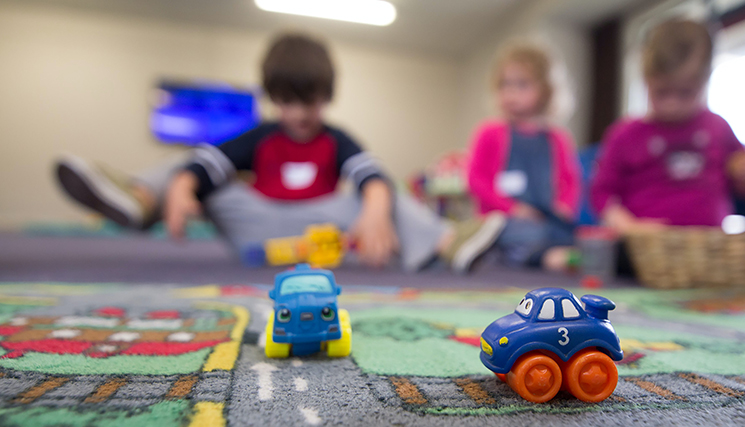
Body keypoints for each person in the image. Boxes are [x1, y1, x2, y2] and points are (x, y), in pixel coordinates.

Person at [54, 33, 506, 273]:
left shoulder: (335, 138)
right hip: (256, 227)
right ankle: (139, 199)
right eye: (286, 101)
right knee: (189, 165)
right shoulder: (262, 134)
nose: (298, 113)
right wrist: (183, 187)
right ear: (273, 97)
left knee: (381, 190)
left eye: (308, 101)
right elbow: (206, 164)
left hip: (320, 229)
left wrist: (374, 210)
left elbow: (369, 175)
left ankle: (449, 243)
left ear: (326, 97)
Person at [590, 19, 745, 282]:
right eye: (661, 92)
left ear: (706, 80)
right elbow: (602, 194)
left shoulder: (717, 127)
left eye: (686, 93)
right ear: (646, 80)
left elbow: (744, 186)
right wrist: (630, 228)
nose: (672, 104)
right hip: (649, 251)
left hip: (709, 248)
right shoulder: (625, 134)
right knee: (611, 258)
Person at [466, 43, 581, 271]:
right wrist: (513, 210)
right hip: (502, 220)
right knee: (512, 231)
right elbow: (476, 180)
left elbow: (570, 181)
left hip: (543, 218)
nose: (510, 92)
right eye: (504, 84)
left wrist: (564, 206)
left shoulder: (557, 138)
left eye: (522, 85)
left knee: (569, 233)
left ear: (546, 90)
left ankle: (535, 254)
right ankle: (535, 256)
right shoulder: (490, 133)